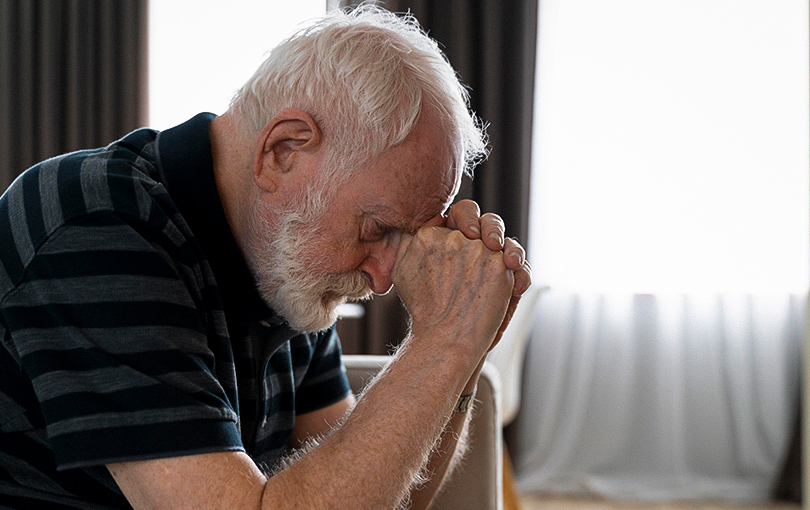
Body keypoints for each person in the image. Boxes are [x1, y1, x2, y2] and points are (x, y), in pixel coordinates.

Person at [0, 6, 531, 509]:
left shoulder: (281, 256)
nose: (386, 277)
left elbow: (387, 495)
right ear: (282, 151)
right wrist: (441, 341)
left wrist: (464, 345)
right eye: (378, 229)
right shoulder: (96, 224)